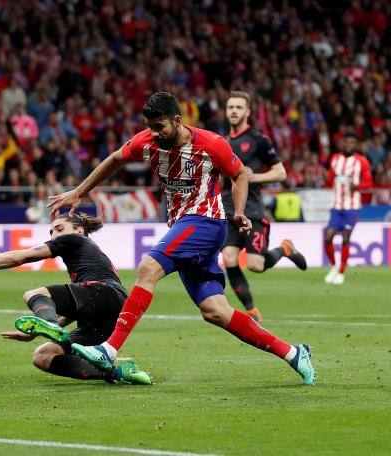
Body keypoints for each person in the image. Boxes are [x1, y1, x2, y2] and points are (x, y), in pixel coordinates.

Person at [49, 92, 315, 385]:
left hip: (206, 221)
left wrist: (239, 211)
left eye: (160, 126)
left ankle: (109, 350)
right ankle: (294, 353)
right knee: (215, 311)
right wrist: (80, 191)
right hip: (184, 226)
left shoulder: (211, 144)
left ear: (178, 120)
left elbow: (239, 175)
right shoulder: (146, 142)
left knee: (149, 267)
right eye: (149, 126)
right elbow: (114, 160)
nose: (154, 133)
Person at [0, 212, 152, 385]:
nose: (54, 235)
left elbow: (21, 257)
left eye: (59, 229)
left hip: (103, 293)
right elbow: (82, 305)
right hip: (108, 311)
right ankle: (120, 373)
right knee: (43, 356)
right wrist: (37, 332)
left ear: (79, 230)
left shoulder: (75, 240)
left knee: (33, 295)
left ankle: (49, 323)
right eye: (51, 231)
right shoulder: (89, 257)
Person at [220, 92, 307, 323]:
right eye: (231, 107)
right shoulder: (221, 142)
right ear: (226, 111)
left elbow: (281, 172)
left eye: (239, 107)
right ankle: (251, 310)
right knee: (229, 258)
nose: (234, 111)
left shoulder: (259, 140)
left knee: (256, 265)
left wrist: (252, 178)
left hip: (253, 210)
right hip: (228, 211)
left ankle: (285, 249)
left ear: (248, 111)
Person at [323, 132, 373, 285]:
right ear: (342, 144)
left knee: (345, 237)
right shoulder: (335, 159)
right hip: (337, 206)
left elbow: (369, 184)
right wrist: (328, 179)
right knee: (328, 237)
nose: (349, 145)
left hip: (352, 207)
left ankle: (341, 273)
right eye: (346, 142)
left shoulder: (362, 162)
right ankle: (334, 266)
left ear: (356, 145)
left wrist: (357, 186)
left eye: (352, 142)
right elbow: (330, 179)